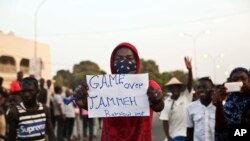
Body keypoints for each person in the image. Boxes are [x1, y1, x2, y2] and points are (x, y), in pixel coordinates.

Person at [74, 42, 164, 141]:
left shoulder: (149, 86)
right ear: (112, 63)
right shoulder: (103, 88)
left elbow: (159, 106)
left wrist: (157, 99)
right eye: (118, 59)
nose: (123, 62)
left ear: (137, 61)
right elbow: (95, 106)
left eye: (129, 58)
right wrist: (82, 102)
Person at [7, 77, 55, 141]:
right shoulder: (15, 112)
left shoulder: (45, 110)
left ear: (38, 91)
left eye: (30, 91)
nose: (26, 94)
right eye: (23, 91)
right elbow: (11, 138)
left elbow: (51, 135)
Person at [159, 57, 193, 141]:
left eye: (176, 87)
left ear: (179, 88)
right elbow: (165, 121)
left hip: (186, 135)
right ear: (170, 89)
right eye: (172, 88)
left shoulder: (185, 96)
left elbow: (189, 85)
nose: (175, 89)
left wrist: (190, 70)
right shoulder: (166, 102)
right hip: (173, 136)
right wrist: (169, 137)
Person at [214, 67, 250, 141]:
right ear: (230, 82)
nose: (240, 81)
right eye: (235, 80)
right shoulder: (229, 99)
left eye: (243, 79)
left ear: (249, 80)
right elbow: (220, 126)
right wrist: (219, 102)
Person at [186, 77, 215, 141]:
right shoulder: (190, 107)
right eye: (198, 87)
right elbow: (189, 131)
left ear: (212, 89)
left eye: (205, 87)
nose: (201, 90)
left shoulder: (218, 107)